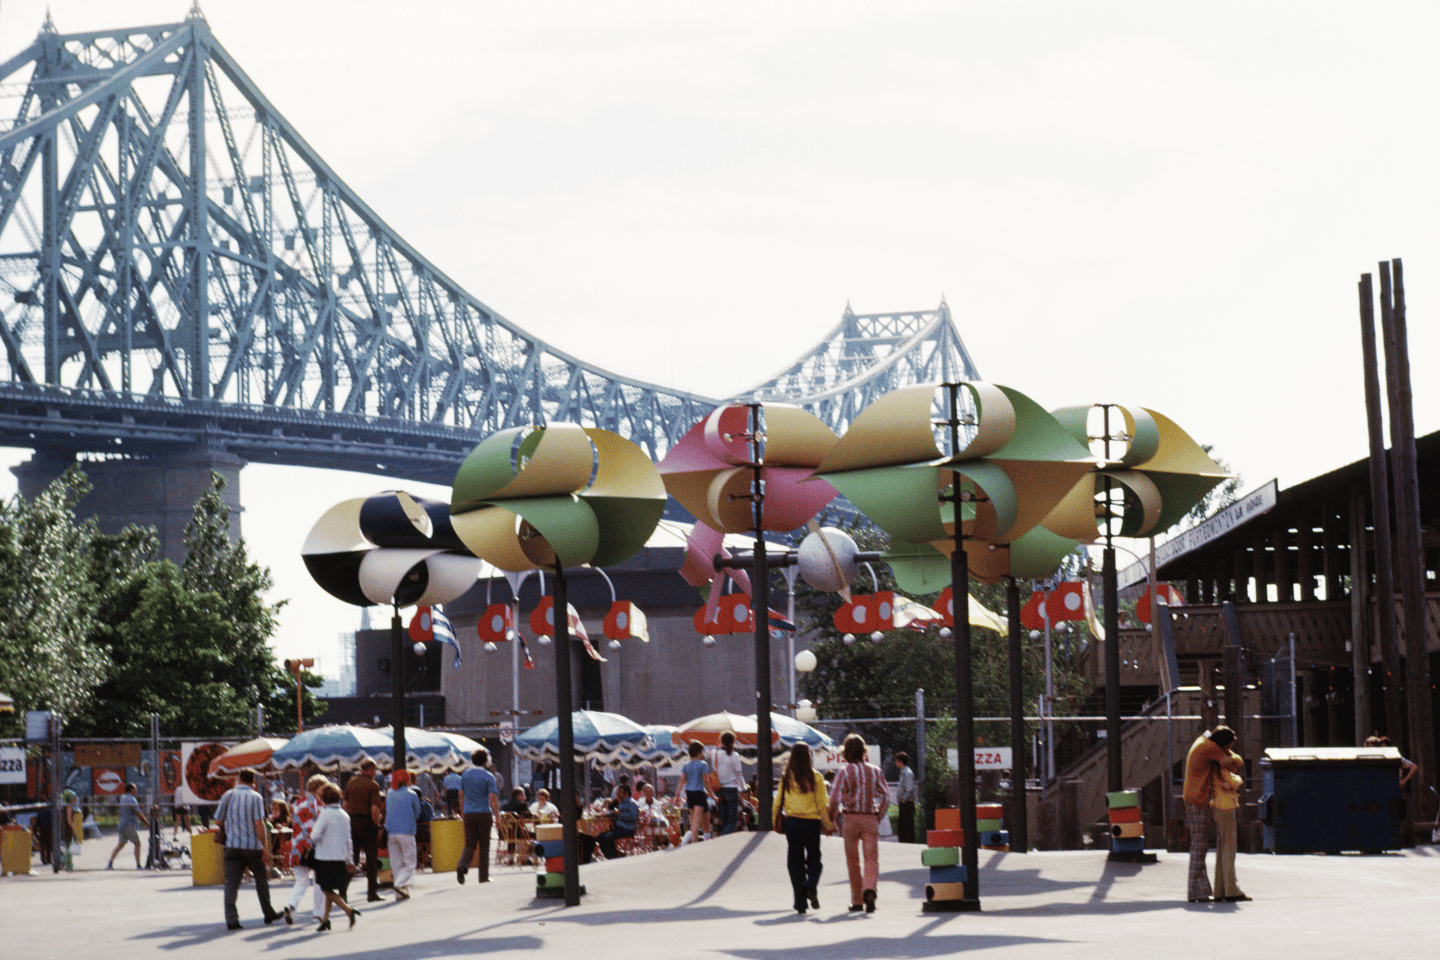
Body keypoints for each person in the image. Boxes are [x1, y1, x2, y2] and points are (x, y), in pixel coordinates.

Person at [1182, 725, 1244, 903]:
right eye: (1229, 746)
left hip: (1193, 797)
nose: (1229, 750)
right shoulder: (1211, 748)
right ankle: (1195, 890)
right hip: (1197, 799)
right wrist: (1235, 759)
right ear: (1222, 744)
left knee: (1199, 844)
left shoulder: (1203, 742)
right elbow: (1232, 764)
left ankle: (1200, 890)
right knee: (1199, 844)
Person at [830, 733, 891, 913]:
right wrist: (877, 815)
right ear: (864, 751)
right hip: (869, 818)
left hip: (849, 819)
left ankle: (857, 900)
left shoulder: (844, 771)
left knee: (853, 861)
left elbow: (834, 799)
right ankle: (870, 889)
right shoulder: (875, 771)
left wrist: (831, 818)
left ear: (846, 752)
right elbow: (886, 796)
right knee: (871, 859)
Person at [214, 769, 282, 930]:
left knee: (231, 883)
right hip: (251, 846)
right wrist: (264, 847)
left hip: (232, 845)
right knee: (260, 879)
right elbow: (259, 823)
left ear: (238, 779)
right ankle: (268, 912)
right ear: (253, 782)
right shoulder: (255, 797)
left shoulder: (227, 795)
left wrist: (232, 826)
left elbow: (217, 820)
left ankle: (231, 919)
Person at [773, 742, 832, 914]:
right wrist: (828, 825)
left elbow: (777, 802)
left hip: (792, 823)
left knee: (795, 862)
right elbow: (822, 804)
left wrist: (773, 820)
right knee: (815, 859)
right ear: (809, 757)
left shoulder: (786, 777)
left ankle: (800, 903)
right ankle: (810, 886)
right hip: (812, 824)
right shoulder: (817, 777)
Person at [309, 782, 360, 931]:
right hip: (339, 857)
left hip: (324, 857)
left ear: (323, 798)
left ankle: (348, 910)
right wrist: (349, 859)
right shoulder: (345, 815)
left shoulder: (325, 814)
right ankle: (325, 919)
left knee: (326, 889)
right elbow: (348, 840)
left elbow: (315, 835)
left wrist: (312, 836)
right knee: (330, 889)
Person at [282, 774, 328, 926]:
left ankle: (291, 905)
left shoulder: (297, 802)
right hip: (314, 847)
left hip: (297, 846)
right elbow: (322, 826)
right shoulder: (319, 804)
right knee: (319, 881)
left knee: (301, 881)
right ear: (319, 788)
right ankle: (318, 914)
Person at [342, 759, 385, 902]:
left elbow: (345, 805)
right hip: (367, 823)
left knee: (353, 859)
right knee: (371, 860)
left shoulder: (351, 782)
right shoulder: (373, 785)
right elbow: (374, 809)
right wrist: (377, 825)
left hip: (352, 822)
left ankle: (342, 891)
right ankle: (372, 893)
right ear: (371, 770)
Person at [457, 747, 500, 884]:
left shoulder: (465, 774)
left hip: (469, 813)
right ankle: (483, 876)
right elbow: (492, 797)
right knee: (484, 844)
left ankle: (463, 865)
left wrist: (463, 811)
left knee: (470, 843)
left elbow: (460, 794)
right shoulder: (489, 776)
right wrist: (497, 816)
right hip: (484, 812)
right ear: (486, 761)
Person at [1210, 763, 1247, 902]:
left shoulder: (1215, 765)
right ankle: (1231, 889)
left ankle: (1220, 890)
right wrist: (1236, 780)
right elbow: (1235, 781)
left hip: (1218, 807)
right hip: (1225, 807)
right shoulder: (1221, 766)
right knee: (1229, 849)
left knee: (1222, 849)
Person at [578, 783, 639, 862]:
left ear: (626, 793)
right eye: (618, 792)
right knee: (600, 837)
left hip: (627, 829)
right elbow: (614, 812)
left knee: (606, 838)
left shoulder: (632, 803)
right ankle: (612, 856)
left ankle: (614, 856)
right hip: (619, 828)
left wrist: (620, 815)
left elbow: (633, 817)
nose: (618, 794)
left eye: (620, 792)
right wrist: (602, 815)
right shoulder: (623, 802)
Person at [385, 771, 421, 901]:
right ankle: (399, 885)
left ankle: (400, 894)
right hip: (406, 831)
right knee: (410, 863)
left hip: (390, 831)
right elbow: (417, 813)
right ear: (407, 781)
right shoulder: (412, 794)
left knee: (396, 864)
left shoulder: (389, 793)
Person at [675, 739, 714, 845]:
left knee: (705, 818)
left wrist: (677, 795)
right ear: (698, 752)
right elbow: (706, 781)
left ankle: (707, 840)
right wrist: (713, 796)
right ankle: (694, 843)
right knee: (696, 823)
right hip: (699, 794)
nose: (703, 753)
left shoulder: (686, 765)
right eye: (702, 751)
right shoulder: (703, 764)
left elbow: (682, 780)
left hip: (690, 793)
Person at [106, 782, 149, 870]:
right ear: (131, 790)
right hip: (129, 826)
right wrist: (148, 824)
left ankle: (110, 863)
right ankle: (138, 865)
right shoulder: (132, 799)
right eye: (135, 789)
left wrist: (137, 807)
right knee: (137, 844)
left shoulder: (123, 797)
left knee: (120, 845)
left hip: (122, 825)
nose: (136, 790)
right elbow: (139, 814)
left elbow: (129, 809)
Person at [715, 731, 745, 836]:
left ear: (721, 741)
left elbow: (715, 769)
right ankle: (724, 839)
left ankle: (725, 840)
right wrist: (743, 787)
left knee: (724, 819)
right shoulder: (735, 755)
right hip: (731, 788)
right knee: (733, 820)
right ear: (733, 741)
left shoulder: (715, 754)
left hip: (719, 789)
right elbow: (739, 773)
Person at [893, 752, 918, 844]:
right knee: (901, 825)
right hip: (903, 804)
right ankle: (903, 842)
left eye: (896, 761)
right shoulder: (903, 772)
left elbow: (909, 789)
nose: (895, 763)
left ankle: (910, 843)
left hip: (907, 803)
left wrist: (903, 799)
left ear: (900, 761)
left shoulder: (908, 773)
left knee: (908, 825)